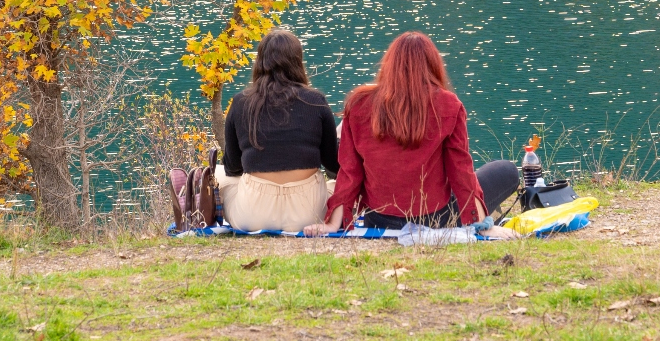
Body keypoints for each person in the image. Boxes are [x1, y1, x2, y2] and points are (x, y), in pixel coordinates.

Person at [305, 32, 519, 235]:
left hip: (378, 219)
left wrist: (334, 223)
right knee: (506, 170)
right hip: (434, 219)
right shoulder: (448, 104)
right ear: (432, 65)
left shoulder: (359, 104)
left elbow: (350, 171)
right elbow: (460, 170)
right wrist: (480, 224)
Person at [218, 29, 339, 233]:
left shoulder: (241, 102)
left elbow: (233, 168)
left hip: (253, 215)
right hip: (309, 214)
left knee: (219, 174)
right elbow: (334, 165)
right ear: (297, 62)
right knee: (338, 185)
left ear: (260, 62)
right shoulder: (316, 101)